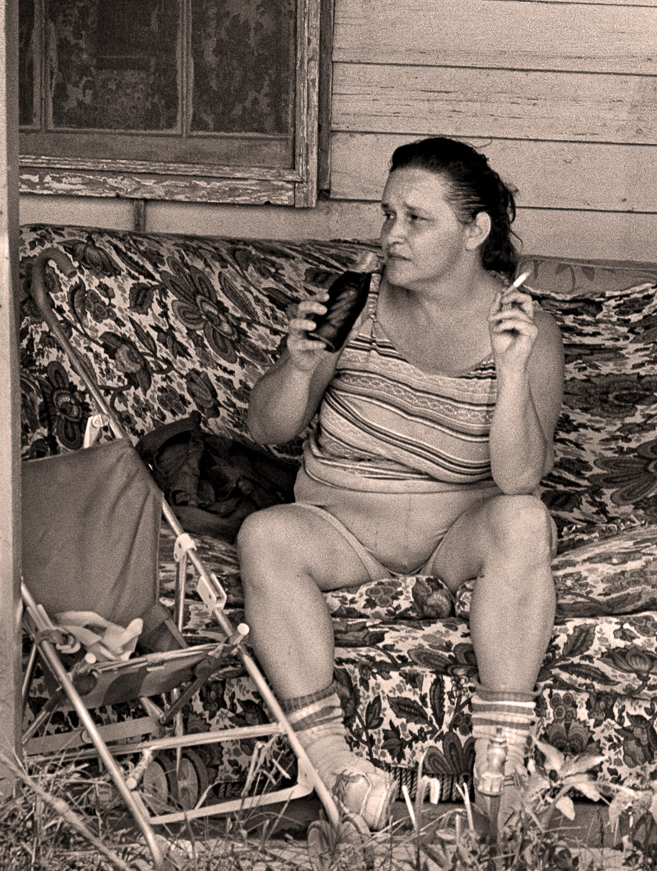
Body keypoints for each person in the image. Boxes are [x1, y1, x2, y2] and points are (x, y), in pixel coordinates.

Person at [238, 137, 564, 828]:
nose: (392, 235)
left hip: (453, 544)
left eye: (417, 219)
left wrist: (510, 375)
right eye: (388, 215)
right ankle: (336, 769)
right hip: (343, 532)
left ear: (475, 231)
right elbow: (267, 430)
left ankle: (500, 767)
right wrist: (297, 368)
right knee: (264, 534)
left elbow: (519, 478)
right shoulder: (352, 302)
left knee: (526, 521)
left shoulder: (525, 326)